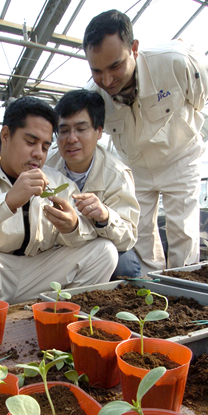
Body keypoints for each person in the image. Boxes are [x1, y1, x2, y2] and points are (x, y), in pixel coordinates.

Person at [0, 96, 119, 308]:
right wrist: (7, 202)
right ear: (5, 135)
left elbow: (84, 234)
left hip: (38, 272)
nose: (38, 154)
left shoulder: (55, 181)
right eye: (30, 142)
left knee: (104, 251)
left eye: (45, 147)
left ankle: (60, 317)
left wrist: (73, 227)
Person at [83, 9, 208, 272]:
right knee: (140, 232)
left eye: (115, 66)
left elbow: (200, 92)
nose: (107, 80)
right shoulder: (94, 96)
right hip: (136, 165)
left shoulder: (174, 62)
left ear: (134, 48)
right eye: (97, 71)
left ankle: (184, 284)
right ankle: (151, 289)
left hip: (180, 156)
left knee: (183, 229)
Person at [46, 89, 140, 280]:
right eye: (63, 130)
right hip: (56, 247)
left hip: (100, 246)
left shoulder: (116, 174)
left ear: (98, 132)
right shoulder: (45, 166)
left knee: (126, 267)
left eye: (81, 129)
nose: (71, 139)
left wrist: (105, 217)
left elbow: (128, 237)